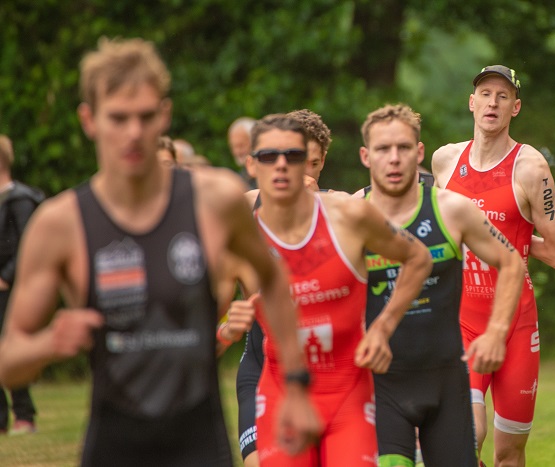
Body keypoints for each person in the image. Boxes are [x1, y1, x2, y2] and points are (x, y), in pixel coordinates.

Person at [0, 37, 320, 466]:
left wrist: (296, 385)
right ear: (89, 119)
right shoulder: (61, 225)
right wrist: (49, 344)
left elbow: (273, 279)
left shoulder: (215, 201)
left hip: (200, 444)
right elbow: (9, 359)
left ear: (165, 115)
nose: (134, 132)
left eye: (146, 116)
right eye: (118, 117)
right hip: (113, 446)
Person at [242, 113, 432, 466]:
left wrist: (383, 327)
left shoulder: (349, 214)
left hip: (348, 389)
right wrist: (224, 327)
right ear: (253, 165)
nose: (286, 167)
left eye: (298, 158)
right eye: (270, 157)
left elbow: (418, 257)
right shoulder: (242, 223)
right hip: (279, 384)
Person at [357, 104, 525, 467]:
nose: (394, 158)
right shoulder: (351, 216)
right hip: (380, 385)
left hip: (446, 381)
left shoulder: (452, 209)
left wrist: (496, 332)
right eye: (383, 149)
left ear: (419, 152)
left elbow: (511, 261)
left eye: (404, 147)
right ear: (366, 156)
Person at [432, 65, 555, 467]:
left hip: (516, 324)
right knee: (467, 434)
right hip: (460, 320)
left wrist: (498, 239)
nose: (492, 102)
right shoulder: (444, 160)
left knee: (509, 453)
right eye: (485, 94)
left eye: (503, 96)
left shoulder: (531, 168)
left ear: (516, 107)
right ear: (471, 102)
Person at [224, 108, 333, 467]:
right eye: (292, 159)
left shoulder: (342, 211)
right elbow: (218, 285)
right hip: (261, 363)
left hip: (326, 371)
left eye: (311, 163)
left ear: (322, 162)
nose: (303, 174)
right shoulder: (245, 207)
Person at [0, 134, 44, 435]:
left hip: (10, 288)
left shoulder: (20, 200)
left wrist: (6, 276)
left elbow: (30, 244)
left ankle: (24, 416)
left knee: (11, 349)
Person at [228, 116, 257, 188]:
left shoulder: (266, 172)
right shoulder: (240, 178)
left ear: (255, 142)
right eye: (234, 146)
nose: (237, 151)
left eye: (241, 145)